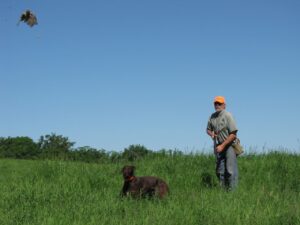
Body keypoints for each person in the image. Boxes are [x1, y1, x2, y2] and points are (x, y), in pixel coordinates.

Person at [206, 96, 238, 190]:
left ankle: (232, 192)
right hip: (219, 146)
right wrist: (211, 133)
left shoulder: (228, 115)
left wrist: (223, 146)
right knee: (219, 171)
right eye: (215, 103)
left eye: (219, 103)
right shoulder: (212, 117)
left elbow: (233, 134)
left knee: (230, 170)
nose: (217, 105)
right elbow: (208, 129)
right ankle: (223, 191)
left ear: (224, 105)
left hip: (229, 145)